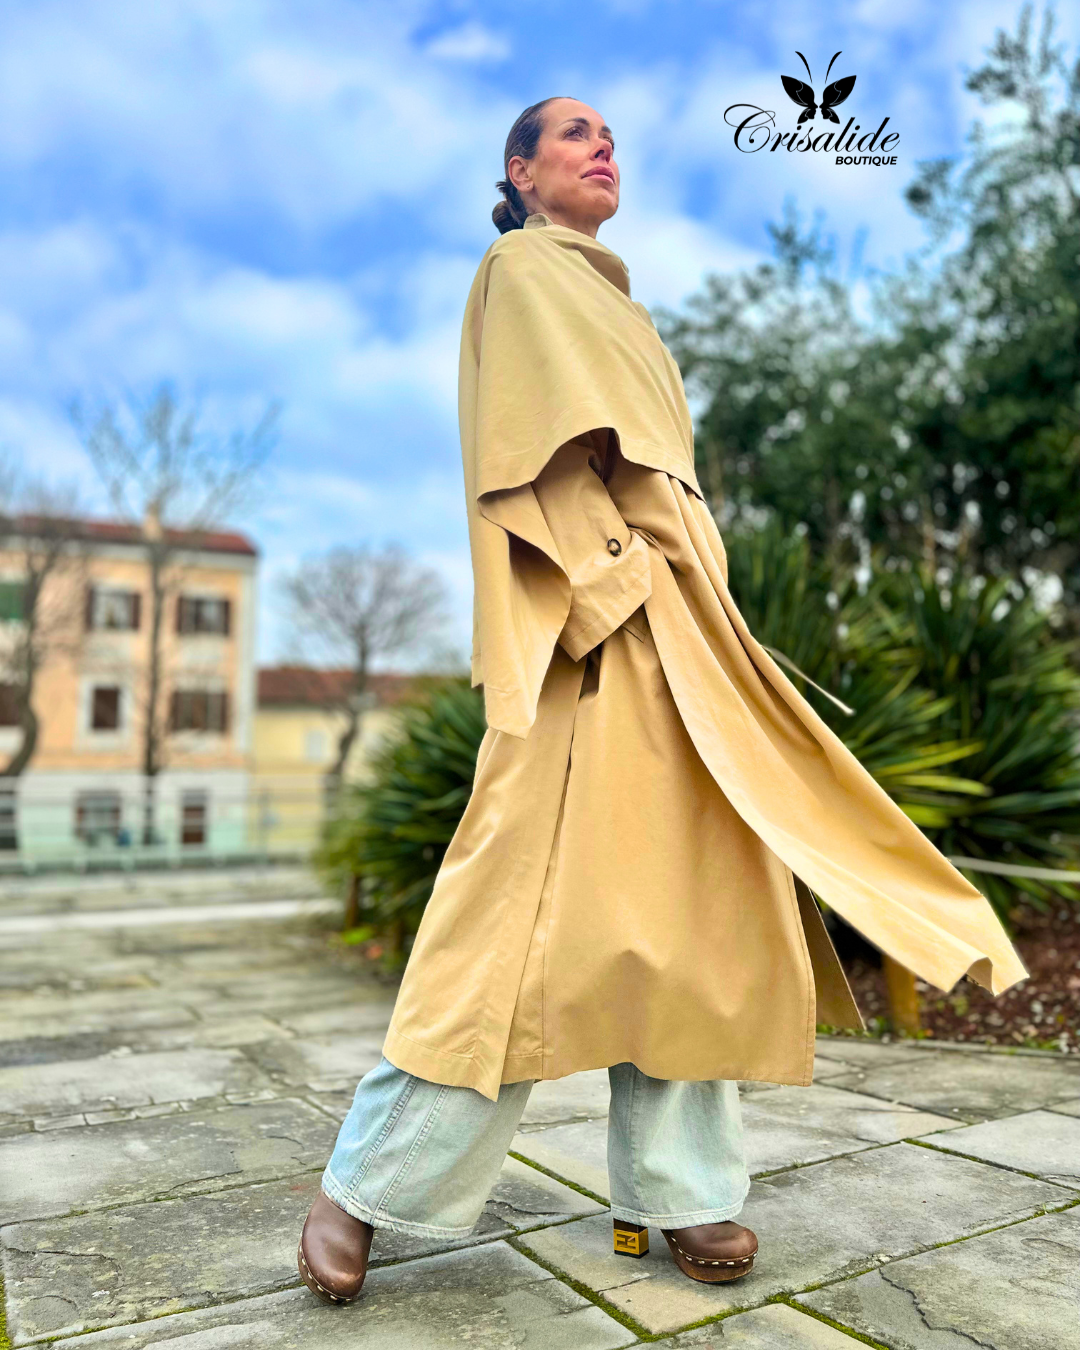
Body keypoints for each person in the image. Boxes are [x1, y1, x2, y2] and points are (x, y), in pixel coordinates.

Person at [297, 96, 1026, 1306]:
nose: (603, 147)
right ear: (519, 171)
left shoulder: (620, 305)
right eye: (574, 134)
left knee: (685, 914)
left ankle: (678, 1195)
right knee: (507, 921)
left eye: (613, 137)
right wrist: (612, 586)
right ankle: (363, 1188)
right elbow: (525, 459)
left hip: (685, 637)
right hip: (596, 638)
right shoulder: (523, 270)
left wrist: (687, 602)